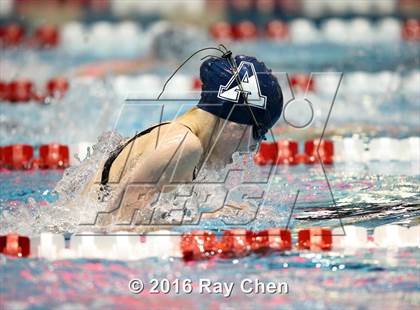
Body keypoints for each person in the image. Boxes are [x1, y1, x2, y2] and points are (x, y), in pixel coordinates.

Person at [81, 53, 283, 228]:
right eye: (258, 133)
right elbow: (113, 226)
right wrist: (208, 219)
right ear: (236, 123)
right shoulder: (184, 146)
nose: (254, 147)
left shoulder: (176, 134)